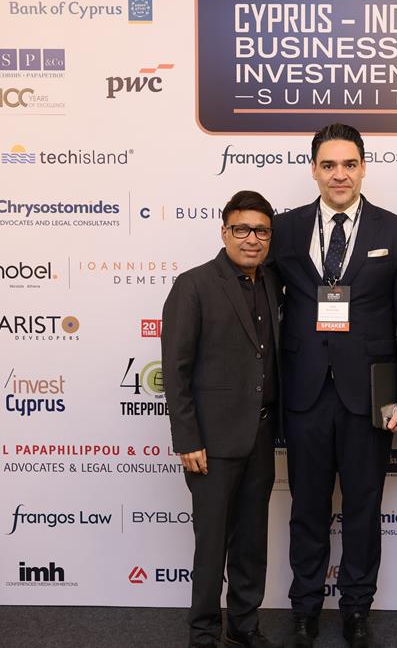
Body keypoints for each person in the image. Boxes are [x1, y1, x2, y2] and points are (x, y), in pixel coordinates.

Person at [268, 123, 397, 648]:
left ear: (363, 168)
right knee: (306, 508)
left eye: (349, 164)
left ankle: (357, 608)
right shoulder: (285, 229)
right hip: (305, 392)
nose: (340, 174)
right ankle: (304, 609)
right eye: (329, 165)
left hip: (370, 397)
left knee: (363, 508)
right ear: (314, 169)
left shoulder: (395, 231)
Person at [161, 190, 281, 648]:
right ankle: (204, 632)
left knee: (251, 542)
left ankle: (244, 626)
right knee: (211, 545)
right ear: (224, 232)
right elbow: (176, 369)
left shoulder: (271, 282)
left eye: (261, 231)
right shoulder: (193, 285)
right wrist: (187, 438)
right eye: (242, 229)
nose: (252, 239)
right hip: (210, 443)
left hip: (261, 436)